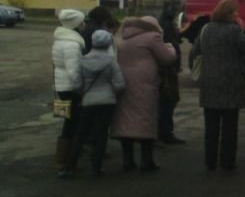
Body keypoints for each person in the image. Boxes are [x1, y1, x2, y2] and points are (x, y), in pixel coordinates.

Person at [190, 0, 245, 171]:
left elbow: (195, 51)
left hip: (210, 82)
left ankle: (210, 160)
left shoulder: (206, 29)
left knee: (211, 127)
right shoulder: (234, 30)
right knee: (229, 127)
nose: (237, 14)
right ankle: (227, 161)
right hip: (231, 82)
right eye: (235, 12)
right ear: (228, 13)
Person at [112, 16, 177, 172]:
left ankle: (128, 160)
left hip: (124, 80)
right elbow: (167, 58)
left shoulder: (122, 36)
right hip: (145, 83)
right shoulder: (152, 37)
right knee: (146, 117)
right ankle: (147, 161)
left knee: (125, 120)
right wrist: (171, 48)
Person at [59, 30, 126, 179]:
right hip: (107, 102)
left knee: (80, 133)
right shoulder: (111, 61)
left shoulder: (83, 60)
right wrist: (111, 91)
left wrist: (84, 93)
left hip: (88, 101)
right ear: (109, 43)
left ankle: (70, 167)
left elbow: (76, 84)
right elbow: (120, 84)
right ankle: (96, 167)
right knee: (101, 135)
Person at [52, 9, 87, 173]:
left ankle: (63, 160)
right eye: (81, 22)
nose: (84, 25)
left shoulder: (60, 40)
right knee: (73, 124)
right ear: (75, 25)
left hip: (61, 86)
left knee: (68, 122)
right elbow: (74, 72)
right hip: (70, 88)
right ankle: (66, 162)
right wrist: (81, 90)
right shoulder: (72, 45)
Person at [157, 0, 185, 145]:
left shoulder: (164, 22)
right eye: (176, 7)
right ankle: (165, 132)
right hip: (167, 68)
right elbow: (169, 44)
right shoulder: (165, 24)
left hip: (169, 66)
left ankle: (165, 131)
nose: (177, 10)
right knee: (168, 100)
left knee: (168, 100)